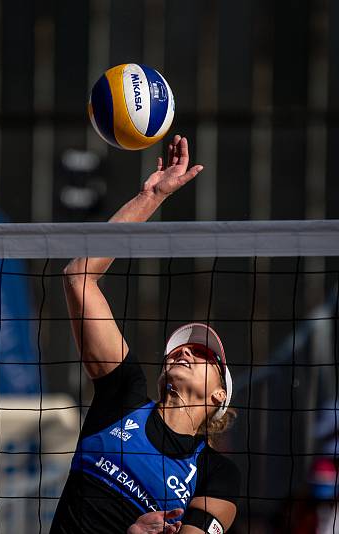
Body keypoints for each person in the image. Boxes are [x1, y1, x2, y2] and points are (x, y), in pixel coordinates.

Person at [50, 136, 240, 534]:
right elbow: (79, 278)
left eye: (201, 354)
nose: (183, 353)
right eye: (178, 350)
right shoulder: (123, 397)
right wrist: (151, 196)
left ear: (220, 394)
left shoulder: (215, 473)